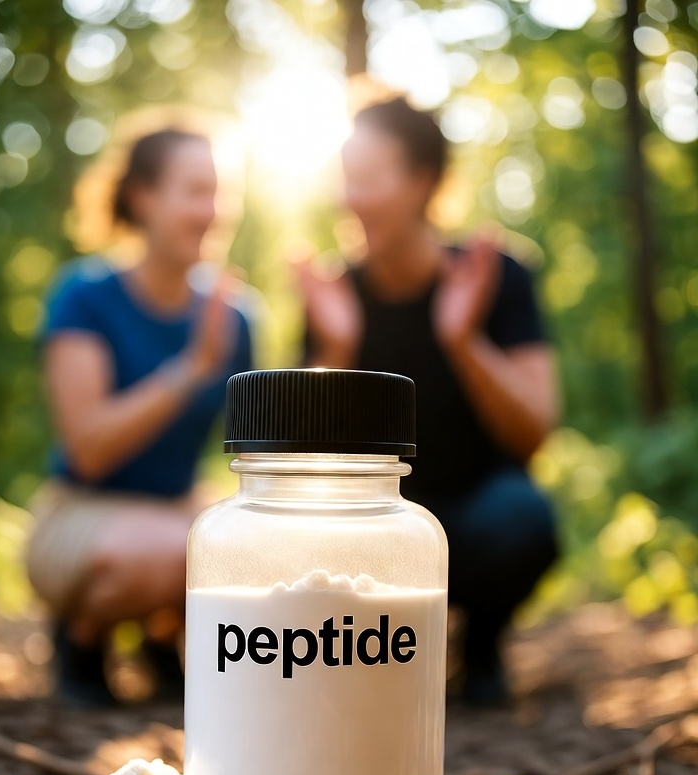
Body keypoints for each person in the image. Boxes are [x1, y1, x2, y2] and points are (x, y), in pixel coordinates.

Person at [296, 97, 560, 705]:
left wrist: (463, 339)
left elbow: (534, 432)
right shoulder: (336, 294)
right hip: (371, 521)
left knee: (524, 519)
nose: (348, 197)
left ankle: (482, 640)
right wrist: (337, 345)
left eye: (366, 178)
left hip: (477, 511)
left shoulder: (500, 277)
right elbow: (299, 459)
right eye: (344, 177)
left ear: (422, 181)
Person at [27, 126, 253, 706]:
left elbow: (260, 455)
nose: (213, 211)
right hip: (82, 509)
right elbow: (89, 450)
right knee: (188, 548)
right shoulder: (85, 296)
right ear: (142, 198)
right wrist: (192, 368)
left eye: (220, 193)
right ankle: (81, 637)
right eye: (196, 191)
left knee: (252, 543)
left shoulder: (235, 317)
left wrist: (334, 345)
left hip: (176, 509)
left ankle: (164, 638)